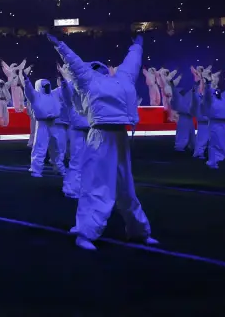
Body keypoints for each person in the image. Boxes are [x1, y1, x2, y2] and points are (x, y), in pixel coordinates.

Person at [48, 33, 156, 252]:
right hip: (99, 136)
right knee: (97, 186)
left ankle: (139, 231)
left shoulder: (122, 78)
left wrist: (137, 46)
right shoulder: (87, 80)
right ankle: (84, 233)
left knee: (126, 188)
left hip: (120, 136)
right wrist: (60, 45)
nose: (102, 70)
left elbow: (131, 62)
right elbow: (75, 62)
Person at [24, 76, 63, 177]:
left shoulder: (54, 94)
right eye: (44, 86)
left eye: (48, 85)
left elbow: (64, 87)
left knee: (57, 147)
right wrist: (26, 80)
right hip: (42, 124)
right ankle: (36, 169)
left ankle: (58, 167)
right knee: (40, 147)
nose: (47, 87)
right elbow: (29, 90)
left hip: (54, 123)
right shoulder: (35, 95)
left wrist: (63, 77)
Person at [58, 65, 87, 199]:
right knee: (77, 159)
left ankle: (83, 186)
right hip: (77, 128)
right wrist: (64, 80)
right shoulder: (71, 89)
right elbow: (66, 91)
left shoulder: (89, 89)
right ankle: (70, 187)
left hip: (91, 128)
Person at [170, 78, 197, 152]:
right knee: (183, 132)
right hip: (183, 117)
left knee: (191, 132)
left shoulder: (189, 94)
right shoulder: (178, 95)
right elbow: (174, 93)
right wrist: (172, 85)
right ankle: (179, 146)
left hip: (189, 117)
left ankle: (192, 145)